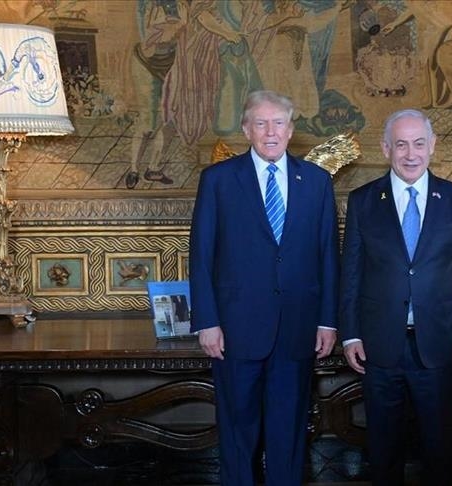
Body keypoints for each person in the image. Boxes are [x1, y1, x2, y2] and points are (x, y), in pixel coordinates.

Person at [189, 90, 339, 485]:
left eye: (278, 123)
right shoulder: (218, 180)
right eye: (261, 123)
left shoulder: (317, 182)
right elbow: (201, 255)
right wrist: (207, 321)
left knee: (289, 433)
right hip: (234, 332)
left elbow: (328, 255)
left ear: (290, 130)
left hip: (297, 330)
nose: (270, 132)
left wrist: (327, 321)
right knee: (237, 433)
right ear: (246, 129)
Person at [339, 109, 452, 485]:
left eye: (419, 143)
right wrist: (350, 335)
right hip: (378, 346)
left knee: (437, 451)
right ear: (386, 148)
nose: (410, 154)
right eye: (401, 144)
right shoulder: (363, 201)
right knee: (384, 451)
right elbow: (351, 273)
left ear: (432, 145)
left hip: (438, 343)